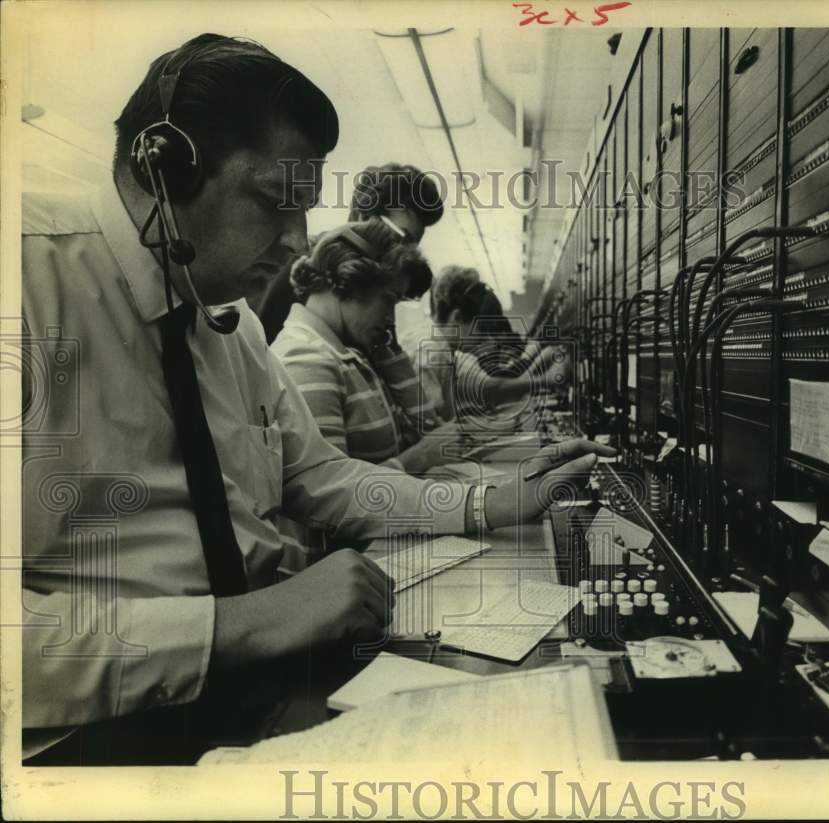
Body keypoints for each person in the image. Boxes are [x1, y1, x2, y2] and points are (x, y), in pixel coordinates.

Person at [20, 33, 612, 764]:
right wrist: (240, 623)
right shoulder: (26, 289)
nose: (301, 243)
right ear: (166, 166)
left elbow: (321, 475)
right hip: (102, 740)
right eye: (276, 203)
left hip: (260, 687)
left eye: (307, 208)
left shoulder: (225, 321)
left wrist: (490, 503)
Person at [272, 220, 462, 473]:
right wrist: (421, 457)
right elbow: (333, 497)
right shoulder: (307, 359)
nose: (391, 320)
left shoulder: (353, 354)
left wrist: (391, 356)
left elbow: (425, 427)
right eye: (388, 300)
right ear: (350, 281)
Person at [252, 162, 444, 343]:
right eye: (401, 240)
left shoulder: (370, 295)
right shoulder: (302, 264)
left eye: (413, 247)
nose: (405, 257)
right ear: (363, 216)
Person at [408, 265, 569, 422]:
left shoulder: (450, 352)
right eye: (483, 331)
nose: (489, 340)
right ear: (457, 318)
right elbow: (429, 428)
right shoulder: (429, 352)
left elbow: (488, 387)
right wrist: (547, 378)